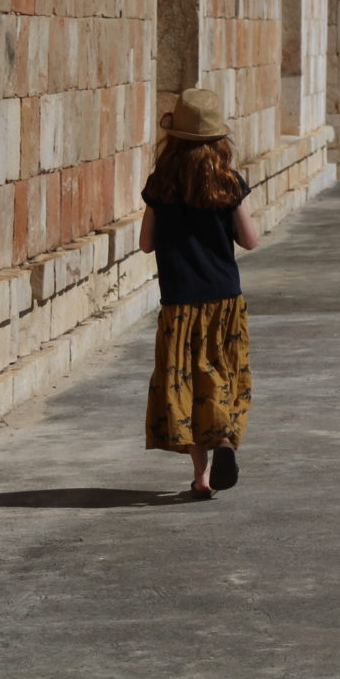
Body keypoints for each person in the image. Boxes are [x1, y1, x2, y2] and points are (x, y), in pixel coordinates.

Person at [139, 87, 261, 497]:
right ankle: (225, 439)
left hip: (179, 302)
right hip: (224, 299)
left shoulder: (160, 184)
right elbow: (250, 240)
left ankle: (201, 477)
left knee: (185, 382)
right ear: (218, 140)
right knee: (222, 373)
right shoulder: (229, 184)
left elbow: (145, 243)